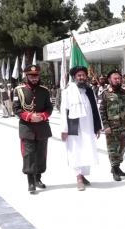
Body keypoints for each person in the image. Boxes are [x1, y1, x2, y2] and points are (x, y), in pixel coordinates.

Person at [60, 66, 103, 191]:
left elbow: (95, 110)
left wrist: (97, 127)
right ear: (74, 77)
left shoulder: (88, 91)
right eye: (79, 75)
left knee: (87, 150)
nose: (81, 77)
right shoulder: (68, 91)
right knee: (75, 151)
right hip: (74, 126)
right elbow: (64, 110)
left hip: (88, 126)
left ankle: (83, 175)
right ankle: (78, 177)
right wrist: (64, 129)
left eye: (83, 75)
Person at [12, 65, 53, 193]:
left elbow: (49, 108)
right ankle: (30, 181)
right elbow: (16, 109)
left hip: (42, 127)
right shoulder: (19, 91)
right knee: (28, 155)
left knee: (41, 154)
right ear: (27, 77)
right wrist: (30, 116)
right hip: (27, 128)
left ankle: (38, 179)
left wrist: (42, 116)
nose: (34, 78)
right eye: (31, 76)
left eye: (36, 76)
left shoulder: (44, 91)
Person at [99, 70, 125, 181]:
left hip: (123, 125)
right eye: (115, 78)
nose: (118, 80)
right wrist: (105, 125)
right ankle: (114, 169)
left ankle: (117, 166)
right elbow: (102, 110)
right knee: (113, 148)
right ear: (109, 80)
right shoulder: (105, 93)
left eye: (119, 78)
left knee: (123, 146)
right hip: (112, 126)